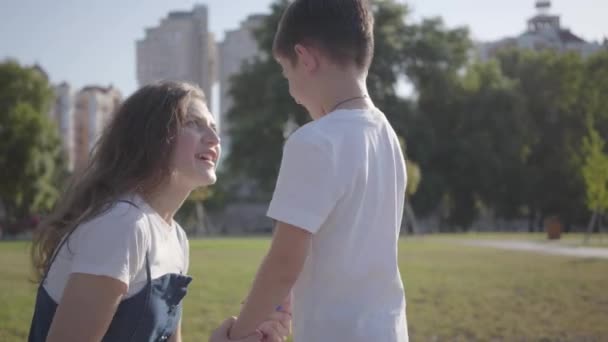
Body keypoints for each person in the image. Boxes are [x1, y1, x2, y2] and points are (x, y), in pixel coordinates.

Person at [28, 81, 289, 342]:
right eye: (192, 123)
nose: (214, 139)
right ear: (151, 136)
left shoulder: (176, 237)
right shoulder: (120, 225)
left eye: (213, 127)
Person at [227, 0, 409, 341]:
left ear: (305, 58)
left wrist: (238, 333)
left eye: (287, 74)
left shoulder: (315, 140)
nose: (293, 94)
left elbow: (283, 263)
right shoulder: (386, 135)